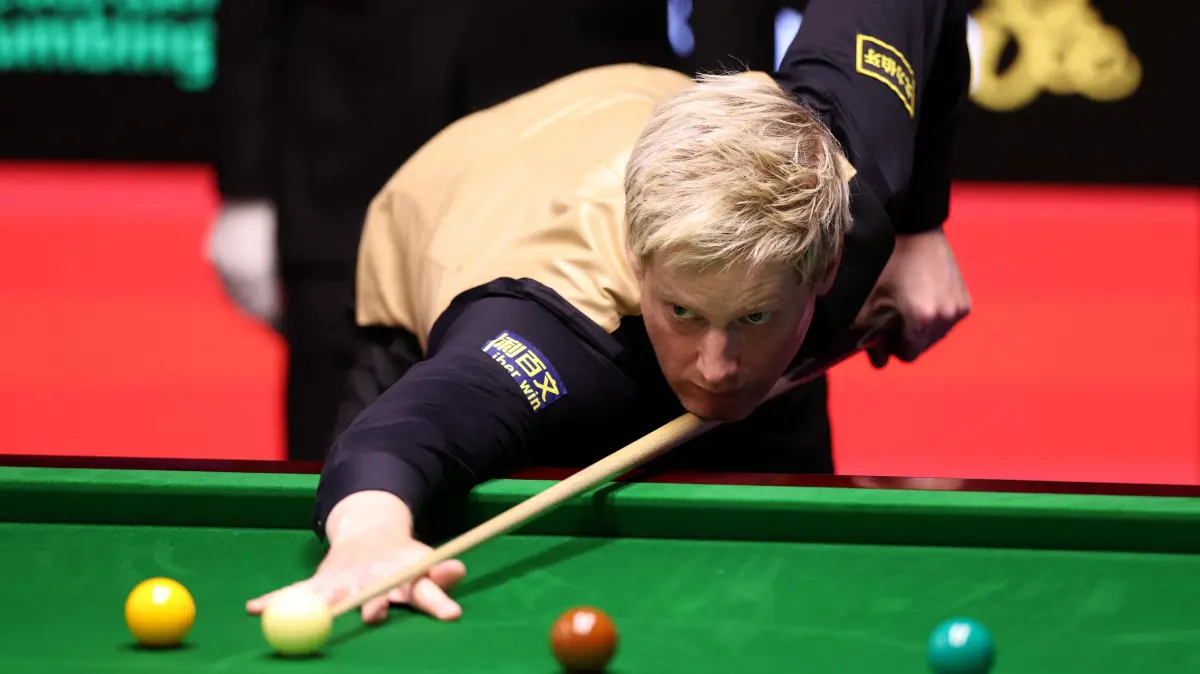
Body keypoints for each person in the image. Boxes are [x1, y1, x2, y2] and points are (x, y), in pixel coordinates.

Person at [248, 0, 973, 624]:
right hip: (459, 213)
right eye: (684, 313)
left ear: (827, 267)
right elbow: (407, 433)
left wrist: (919, 228)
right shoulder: (548, 326)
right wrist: (371, 532)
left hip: (651, 133)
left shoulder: (849, 193)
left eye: (754, 317)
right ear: (639, 264)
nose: (717, 368)